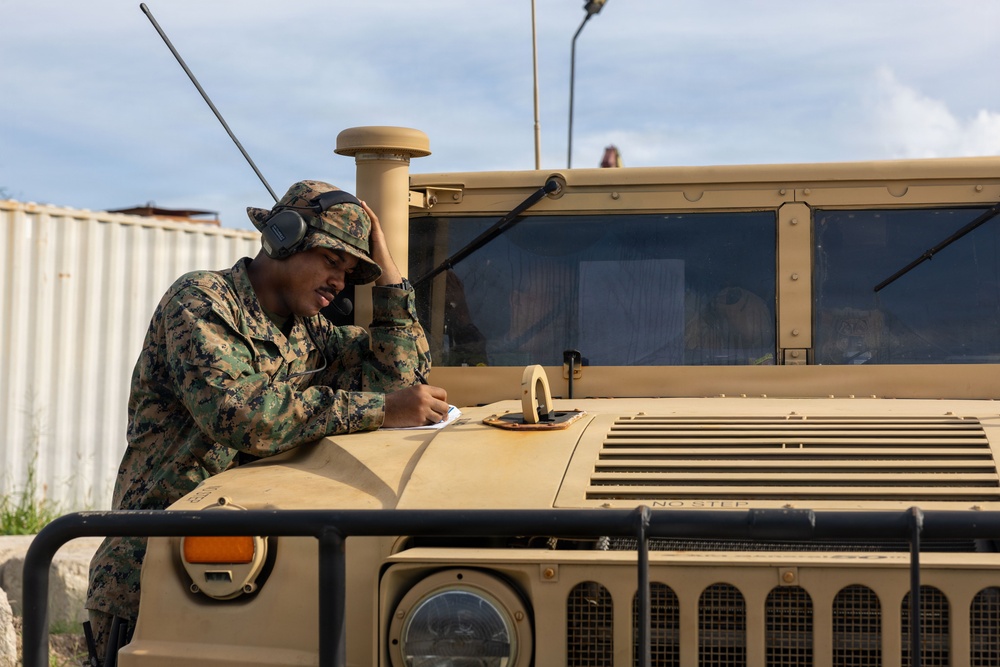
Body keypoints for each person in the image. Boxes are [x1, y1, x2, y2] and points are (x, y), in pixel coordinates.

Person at [85, 180, 448, 661]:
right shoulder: (201, 301)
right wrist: (382, 411)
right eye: (332, 261)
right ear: (283, 238)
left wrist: (388, 276)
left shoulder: (310, 331)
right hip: (155, 574)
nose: (340, 283)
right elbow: (243, 415)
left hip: (259, 573)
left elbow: (399, 378)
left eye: (350, 273)